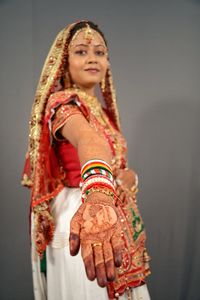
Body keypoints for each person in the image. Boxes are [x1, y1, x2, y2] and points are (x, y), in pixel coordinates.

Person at [22, 20, 151, 300]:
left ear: (107, 64)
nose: (92, 57)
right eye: (81, 51)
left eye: (100, 52)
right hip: (82, 217)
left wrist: (131, 178)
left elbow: (114, 161)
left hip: (109, 214)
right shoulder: (63, 104)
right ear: (64, 62)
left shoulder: (102, 112)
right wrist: (101, 196)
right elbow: (88, 141)